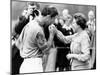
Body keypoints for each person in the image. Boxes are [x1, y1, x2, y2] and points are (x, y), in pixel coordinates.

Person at [15, 5, 58, 73]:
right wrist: (51, 35)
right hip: (34, 66)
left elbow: (18, 43)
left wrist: (27, 51)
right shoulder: (38, 29)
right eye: (54, 19)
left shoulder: (29, 24)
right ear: (48, 17)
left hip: (25, 64)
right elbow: (46, 50)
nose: (53, 22)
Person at [12, 2, 41, 74]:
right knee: (15, 70)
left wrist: (38, 17)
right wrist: (27, 15)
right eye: (30, 8)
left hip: (32, 54)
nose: (32, 10)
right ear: (27, 8)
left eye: (34, 8)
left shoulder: (39, 20)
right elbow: (17, 29)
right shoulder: (23, 18)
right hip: (20, 51)